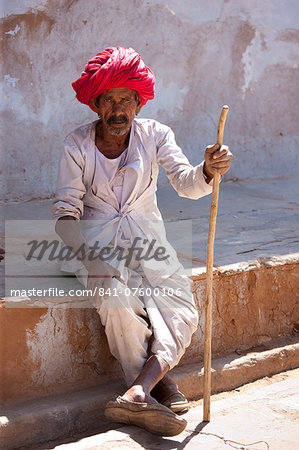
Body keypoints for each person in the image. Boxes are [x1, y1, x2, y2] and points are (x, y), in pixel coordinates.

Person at [52, 46, 232, 436]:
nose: (118, 109)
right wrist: (91, 261)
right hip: (97, 247)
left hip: (149, 243)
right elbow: (65, 216)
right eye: (109, 100)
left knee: (182, 309)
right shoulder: (77, 144)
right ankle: (156, 384)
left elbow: (186, 183)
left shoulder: (156, 134)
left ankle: (136, 390)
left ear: (138, 101)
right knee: (116, 302)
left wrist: (206, 169)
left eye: (126, 100)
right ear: (96, 103)